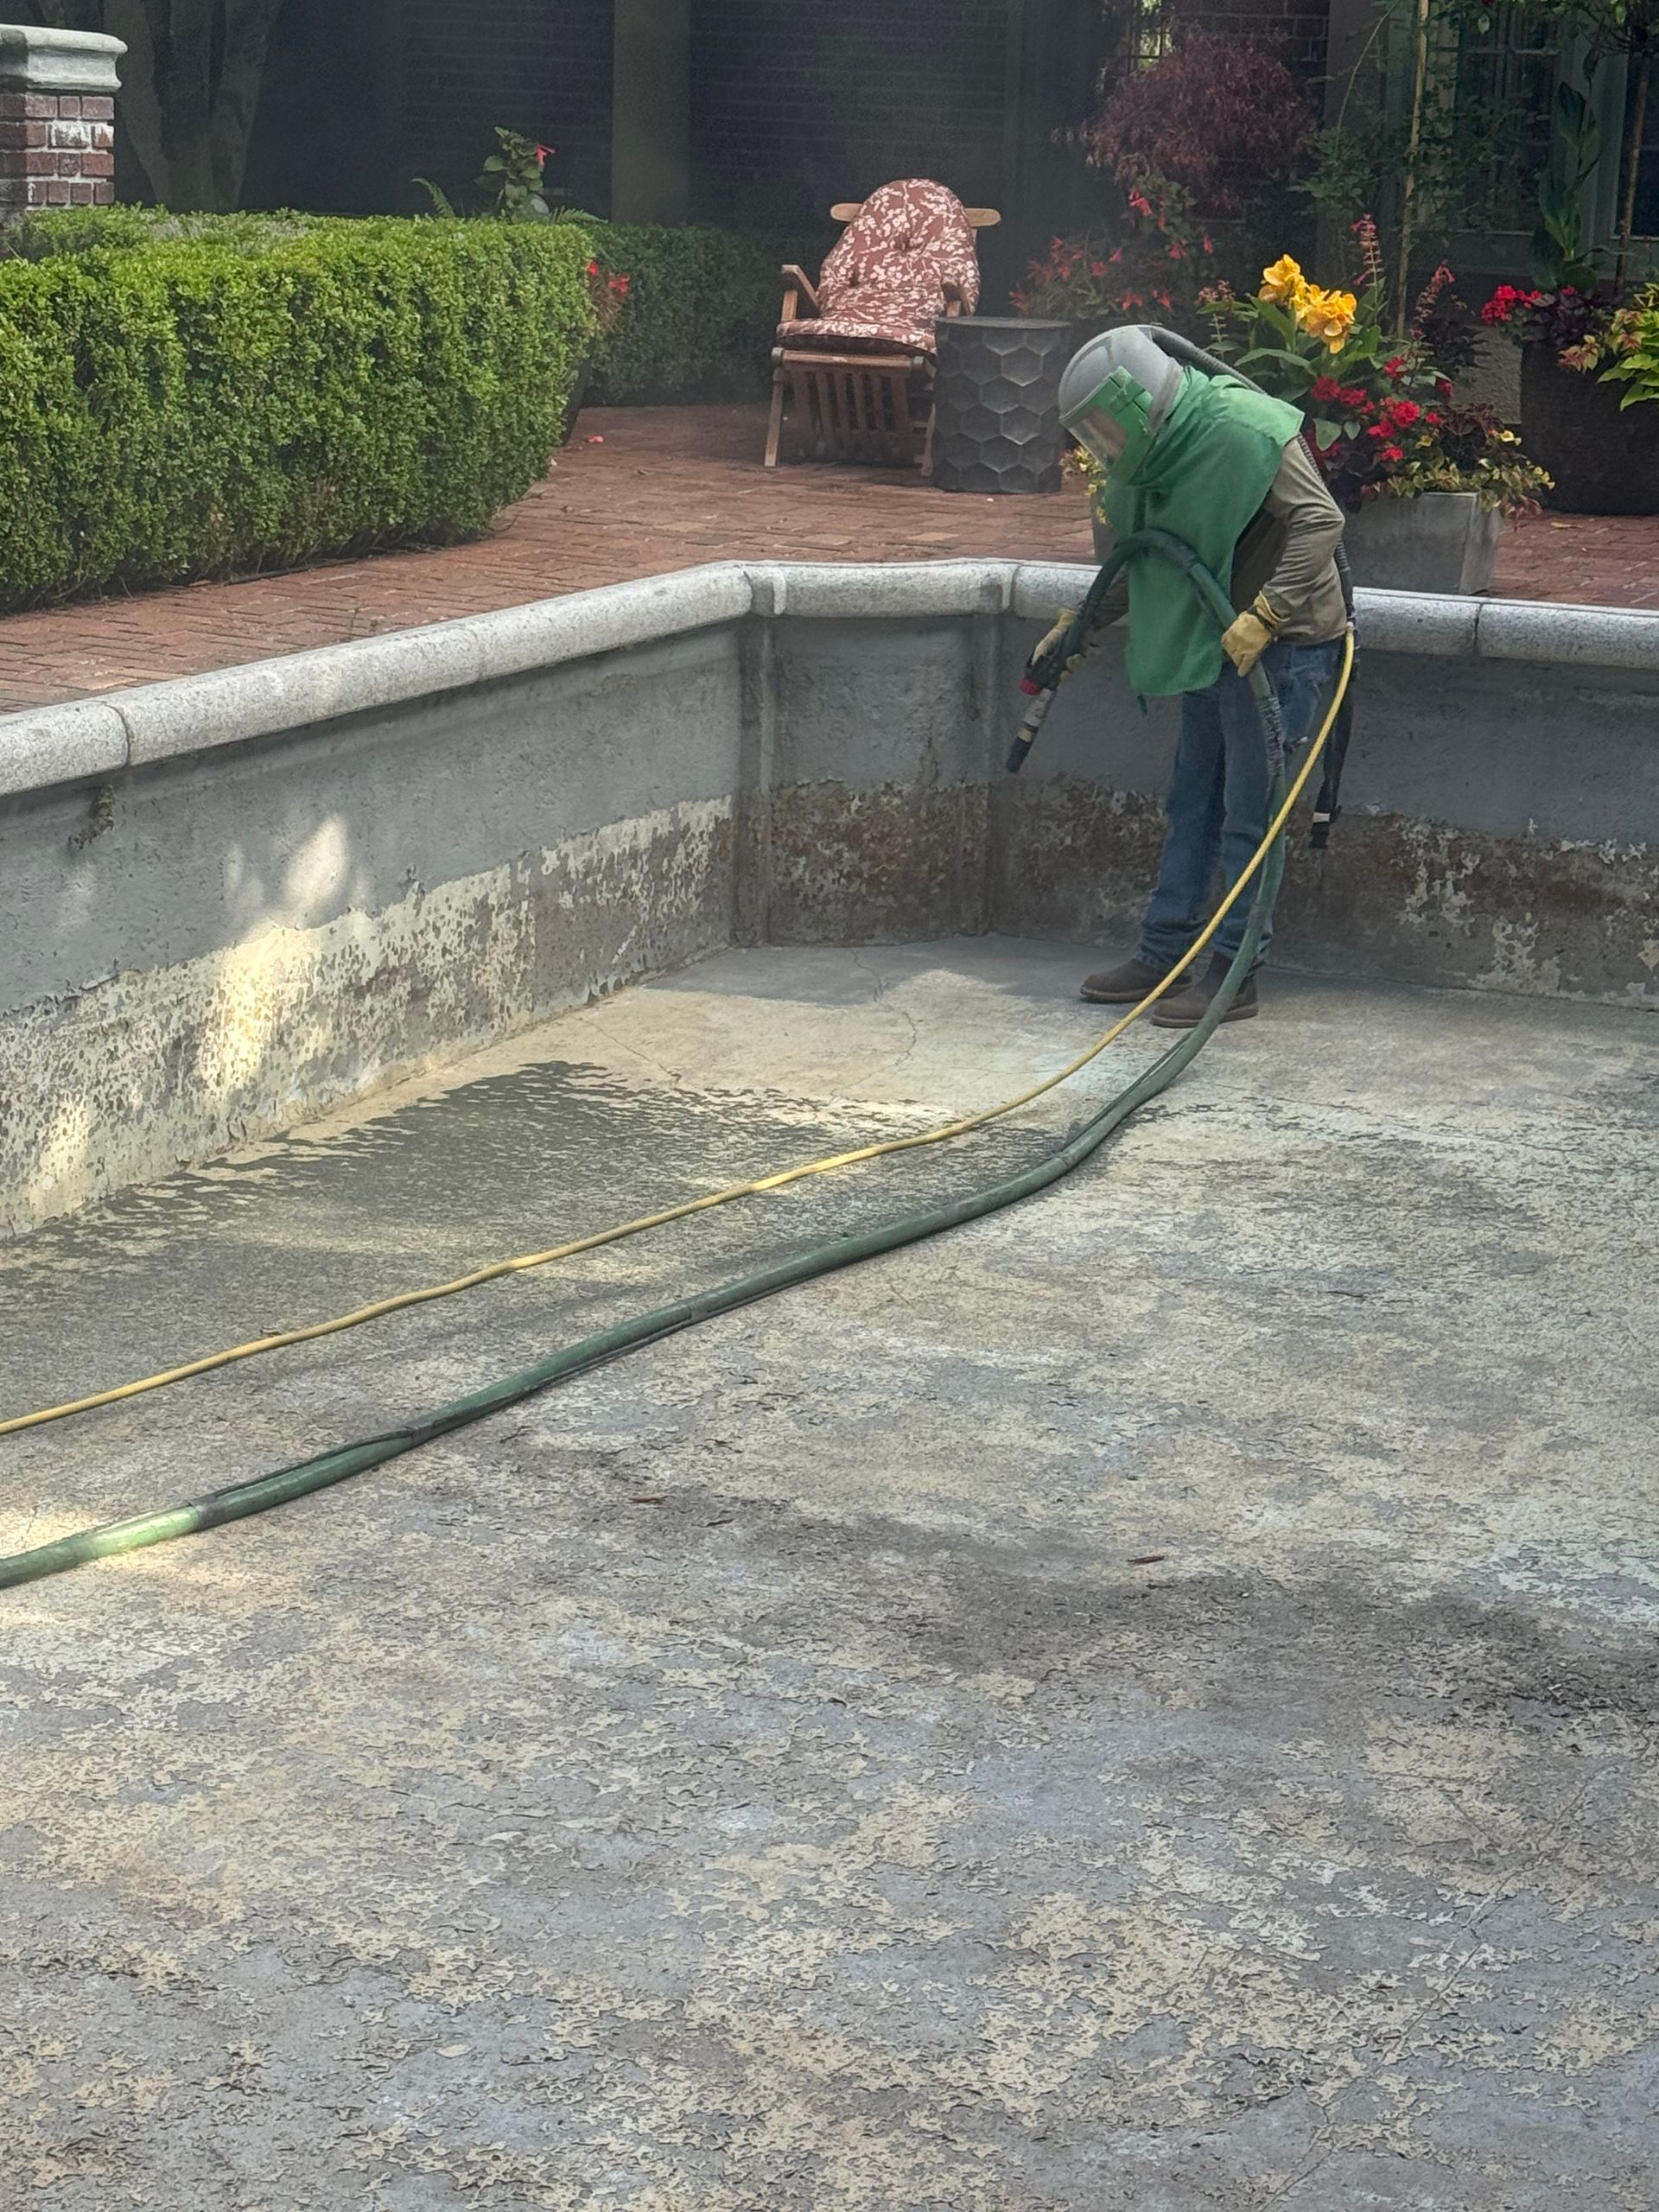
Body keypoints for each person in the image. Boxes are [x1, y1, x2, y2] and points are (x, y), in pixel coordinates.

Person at [1046, 327, 1347, 1026]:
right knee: (1192, 798)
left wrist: (1267, 614)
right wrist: (1080, 623)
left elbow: (1319, 521)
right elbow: (1146, 553)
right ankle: (1164, 952)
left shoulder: (1243, 430)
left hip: (1283, 645)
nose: (1102, 446)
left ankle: (1236, 971)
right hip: (1214, 638)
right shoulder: (1153, 463)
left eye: (1102, 428)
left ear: (1134, 403)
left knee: (1251, 809)